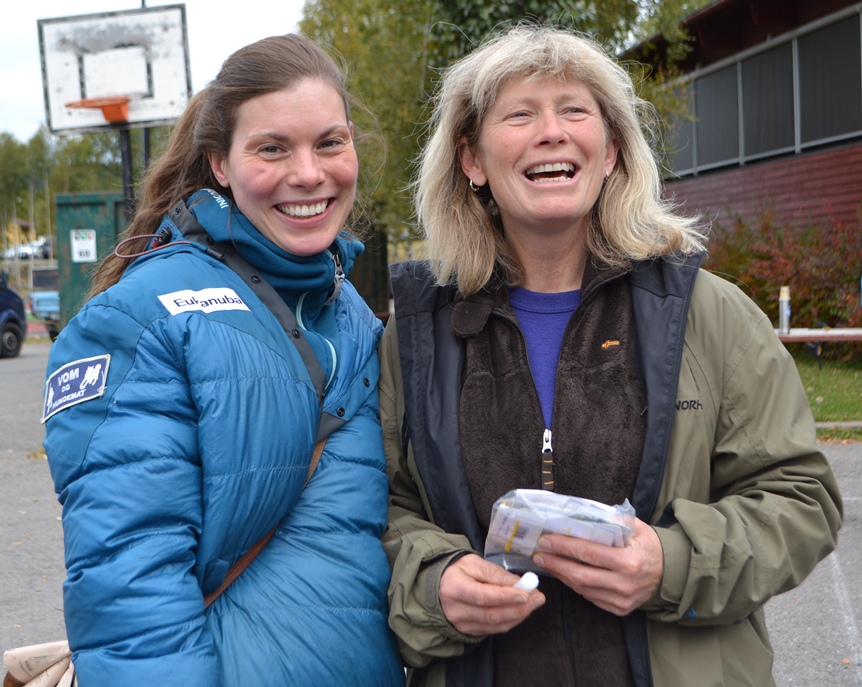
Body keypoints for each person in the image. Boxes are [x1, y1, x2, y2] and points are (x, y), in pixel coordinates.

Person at [379, 25, 843, 687]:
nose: (552, 132)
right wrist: (433, 581)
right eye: (520, 114)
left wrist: (671, 561)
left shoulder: (709, 313)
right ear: (472, 160)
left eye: (575, 110)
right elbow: (383, 511)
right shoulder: (418, 333)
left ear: (612, 151)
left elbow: (802, 499)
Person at [42, 34, 405, 686]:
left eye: (329, 142)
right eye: (272, 148)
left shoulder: (352, 313)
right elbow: (130, 593)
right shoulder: (143, 316)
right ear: (219, 163)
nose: (308, 173)